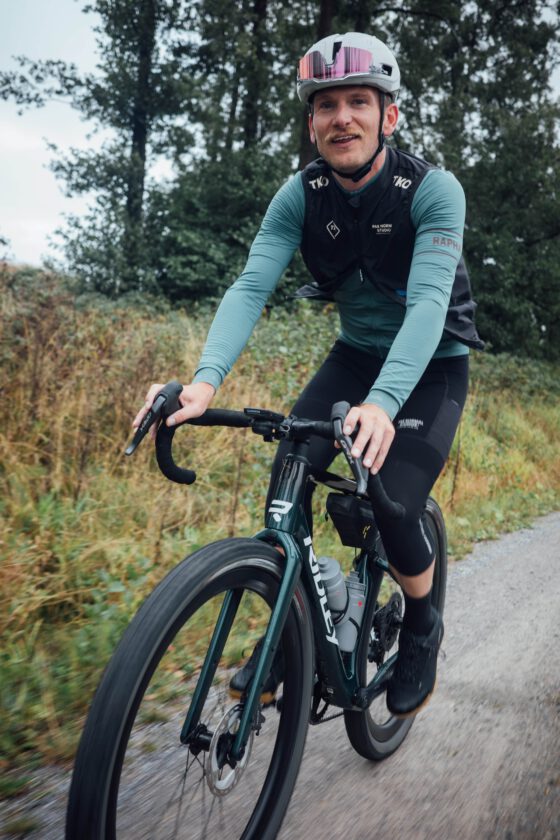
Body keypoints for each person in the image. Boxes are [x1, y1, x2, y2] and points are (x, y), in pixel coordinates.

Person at [133, 31, 483, 718]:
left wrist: (383, 403)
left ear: (390, 116)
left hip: (431, 366)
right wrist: (205, 383)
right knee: (287, 486)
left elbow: (431, 303)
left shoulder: (433, 191)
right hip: (353, 356)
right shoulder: (300, 195)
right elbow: (249, 286)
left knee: (391, 501)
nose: (342, 117)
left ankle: (420, 627)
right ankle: (292, 629)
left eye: (360, 101)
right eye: (327, 105)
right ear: (311, 120)